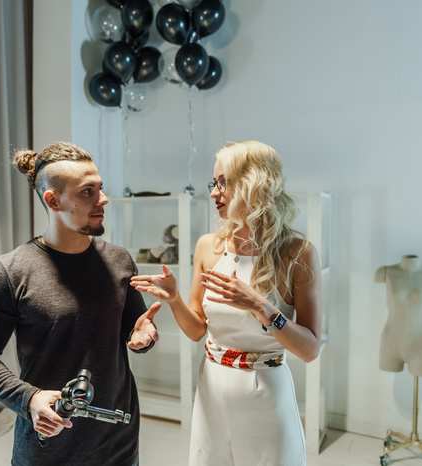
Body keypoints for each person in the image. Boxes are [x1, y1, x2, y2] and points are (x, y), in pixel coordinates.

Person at [0, 142, 159, 466]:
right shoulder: (11, 271)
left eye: (100, 188)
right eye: (88, 192)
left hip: (118, 442)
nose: (103, 199)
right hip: (48, 447)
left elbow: (134, 328)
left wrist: (143, 334)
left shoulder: (119, 261)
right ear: (53, 200)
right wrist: (30, 398)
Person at [130, 140, 322, 466]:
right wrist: (175, 299)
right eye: (213, 183)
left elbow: (309, 349)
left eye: (223, 183)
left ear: (254, 184)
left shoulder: (298, 253)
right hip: (212, 388)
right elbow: (197, 330)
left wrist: (262, 307)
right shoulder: (209, 247)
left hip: (265, 394)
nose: (214, 193)